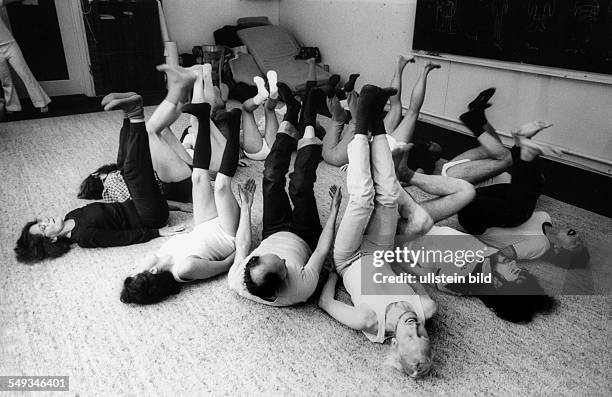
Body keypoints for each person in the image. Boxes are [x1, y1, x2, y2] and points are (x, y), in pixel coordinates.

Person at [14, 65, 195, 263]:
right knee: (135, 172)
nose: (45, 221)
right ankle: (135, 113)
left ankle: (127, 114)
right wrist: (158, 232)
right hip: (151, 218)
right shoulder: (83, 237)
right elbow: (120, 239)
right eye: (43, 227)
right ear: (52, 239)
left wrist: (179, 207)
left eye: (40, 221)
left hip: (144, 204)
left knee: (122, 166)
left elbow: (120, 207)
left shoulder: (71, 214)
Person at [318, 84, 437, 379]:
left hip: (350, 258)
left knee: (362, 199)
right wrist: (402, 265)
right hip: (380, 252)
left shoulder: (368, 320)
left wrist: (334, 272)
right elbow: (408, 278)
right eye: (423, 335)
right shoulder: (426, 308)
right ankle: (378, 120)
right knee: (388, 197)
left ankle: (361, 123)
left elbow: (326, 303)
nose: (415, 328)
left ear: (394, 341)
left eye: (410, 337)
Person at [120, 99, 245, 304]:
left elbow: (189, 241)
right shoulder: (184, 270)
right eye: (137, 271)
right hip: (226, 233)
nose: (137, 267)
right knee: (221, 185)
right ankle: (234, 123)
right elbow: (225, 264)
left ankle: (203, 117)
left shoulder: (161, 255)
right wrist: (244, 244)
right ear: (152, 273)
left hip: (205, 223)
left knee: (198, 176)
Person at [227, 85, 342, 306]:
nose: (282, 257)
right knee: (299, 185)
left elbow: (242, 246)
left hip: (273, 229)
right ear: (281, 285)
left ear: (253, 261)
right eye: (284, 264)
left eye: (269, 256)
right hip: (305, 236)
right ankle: (308, 112)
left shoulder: (237, 279)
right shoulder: (301, 289)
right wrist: (334, 211)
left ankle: (291, 111)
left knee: (270, 176)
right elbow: (321, 250)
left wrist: (247, 207)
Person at [450, 89, 589, 268]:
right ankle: (519, 143)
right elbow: (519, 195)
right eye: (580, 241)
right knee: (534, 187)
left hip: (474, 219)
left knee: (519, 211)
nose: (578, 238)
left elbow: (499, 257)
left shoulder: (540, 246)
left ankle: (519, 147)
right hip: (486, 202)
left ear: (557, 250)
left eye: (575, 245)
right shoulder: (545, 217)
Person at [79, 65, 226, 205]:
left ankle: (184, 86)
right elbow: (142, 201)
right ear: (96, 175)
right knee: (150, 131)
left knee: (161, 129)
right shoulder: (111, 186)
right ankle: (180, 87)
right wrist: (180, 206)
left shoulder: (120, 172)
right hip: (179, 186)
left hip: (182, 177)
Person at [392, 225, 556, 323]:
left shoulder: (462, 282)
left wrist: (392, 254)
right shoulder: (494, 257)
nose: (515, 264)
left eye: (514, 272)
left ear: (499, 285)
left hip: (406, 232)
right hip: (425, 223)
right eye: (521, 269)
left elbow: (419, 272)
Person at [320, 55, 442, 168]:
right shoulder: (427, 162)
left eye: (433, 144)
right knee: (411, 112)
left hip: (382, 145)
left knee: (397, 107)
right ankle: (424, 69)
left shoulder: (425, 159)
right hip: (387, 149)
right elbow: (409, 177)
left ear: (433, 154)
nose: (432, 142)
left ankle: (401, 66)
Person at [0, 0, 50, 114]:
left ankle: (42, 102)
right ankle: (12, 107)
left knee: (25, 74)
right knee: (5, 80)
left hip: (10, 44)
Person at [240, 70, 280, 160]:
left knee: (247, 110)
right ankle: (272, 94)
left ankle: (261, 96)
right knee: (269, 109)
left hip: (256, 150)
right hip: (272, 146)